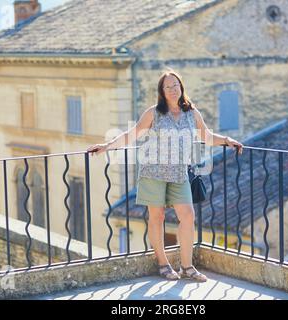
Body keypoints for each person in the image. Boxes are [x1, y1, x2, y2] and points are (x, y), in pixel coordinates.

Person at [87, 69, 243, 282]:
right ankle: (163, 263)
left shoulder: (192, 113)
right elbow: (131, 135)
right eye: (167, 86)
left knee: (188, 216)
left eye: (175, 85)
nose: (172, 89)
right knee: (157, 217)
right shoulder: (154, 112)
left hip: (180, 173)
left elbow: (206, 136)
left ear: (181, 87)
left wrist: (227, 140)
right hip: (154, 173)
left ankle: (187, 267)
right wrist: (106, 146)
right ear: (161, 91)